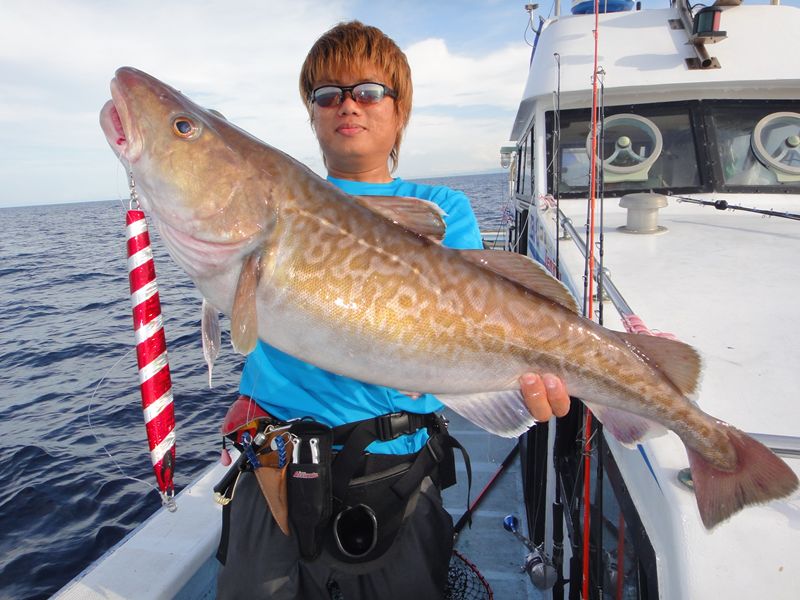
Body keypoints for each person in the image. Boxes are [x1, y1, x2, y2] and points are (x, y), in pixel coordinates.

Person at [215, 20, 570, 600]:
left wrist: (531, 372)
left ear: (399, 111)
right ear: (312, 115)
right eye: (326, 94)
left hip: (392, 473)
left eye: (368, 91)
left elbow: (470, 320)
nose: (347, 105)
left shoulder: (440, 208)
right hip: (271, 472)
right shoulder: (270, 208)